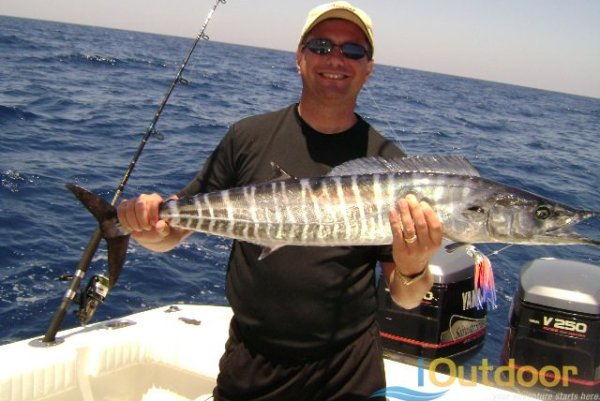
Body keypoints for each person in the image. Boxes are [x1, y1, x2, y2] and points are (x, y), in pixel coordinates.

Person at [117, 2, 442, 400]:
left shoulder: (390, 166)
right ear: (299, 58)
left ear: (368, 67)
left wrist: (413, 267)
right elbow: (170, 233)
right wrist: (146, 228)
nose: (335, 59)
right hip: (251, 366)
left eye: (352, 50)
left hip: (347, 375)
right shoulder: (247, 137)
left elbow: (406, 298)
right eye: (321, 46)